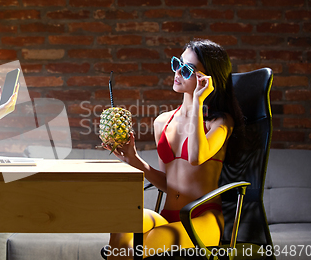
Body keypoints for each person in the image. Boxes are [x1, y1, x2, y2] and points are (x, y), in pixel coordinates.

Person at [102, 39, 243, 259]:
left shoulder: (221, 122)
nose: (177, 71)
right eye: (177, 63)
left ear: (207, 79)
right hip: (168, 216)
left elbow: (196, 157)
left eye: (187, 69)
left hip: (203, 220)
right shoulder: (162, 122)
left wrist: (198, 102)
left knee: (135, 249)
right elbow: (168, 183)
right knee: (122, 224)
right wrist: (134, 159)